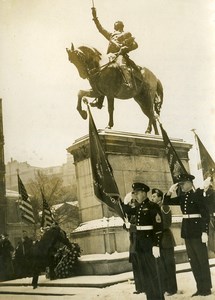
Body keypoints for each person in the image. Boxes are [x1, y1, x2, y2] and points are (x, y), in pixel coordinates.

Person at [164, 174, 212, 297]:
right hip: (187, 232)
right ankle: (199, 287)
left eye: (183, 183)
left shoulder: (197, 195)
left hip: (197, 232)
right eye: (180, 184)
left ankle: (206, 288)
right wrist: (170, 191)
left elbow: (205, 215)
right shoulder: (182, 197)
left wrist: (204, 231)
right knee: (193, 261)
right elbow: (167, 201)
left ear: (190, 183)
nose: (181, 186)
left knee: (201, 260)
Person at [123, 182, 164, 300]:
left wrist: (156, 244)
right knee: (145, 274)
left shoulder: (152, 206)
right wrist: (125, 201)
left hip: (150, 244)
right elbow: (126, 210)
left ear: (143, 193)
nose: (135, 196)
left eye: (137, 193)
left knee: (153, 274)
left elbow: (158, 226)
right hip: (140, 245)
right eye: (134, 194)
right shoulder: (138, 207)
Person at [91, 6, 138, 88]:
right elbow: (100, 29)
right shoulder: (111, 35)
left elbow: (135, 45)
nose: (114, 28)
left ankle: (129, 83)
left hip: (119, 55)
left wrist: (126, 48)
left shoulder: (126, 35)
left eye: (116, 26)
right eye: (114, 27)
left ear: (120, 27)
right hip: (110, 55)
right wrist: (95, 17)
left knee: (122, 65)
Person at [151, 188, 178, 296]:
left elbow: (166, 223)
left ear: (159, 197)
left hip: (165, 239)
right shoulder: (155, 208)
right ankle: (164, 287)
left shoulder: (164, 207)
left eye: (154, 196)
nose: (152, 198)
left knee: (168, 265)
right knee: (161, 265)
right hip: (159, 240)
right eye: (152, 196)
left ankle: (172, 288)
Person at [123, 191, 145, 294]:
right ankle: (139, 287)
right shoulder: (132, 214)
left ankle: (143, 286)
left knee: (141, 266)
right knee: (136, 267)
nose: (131, 204)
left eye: (132, 202)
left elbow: (140, 226)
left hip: (139, 243)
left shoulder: (139, 211)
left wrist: (130, 227)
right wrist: (126, 226)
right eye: (129, 203)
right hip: (133, 244)